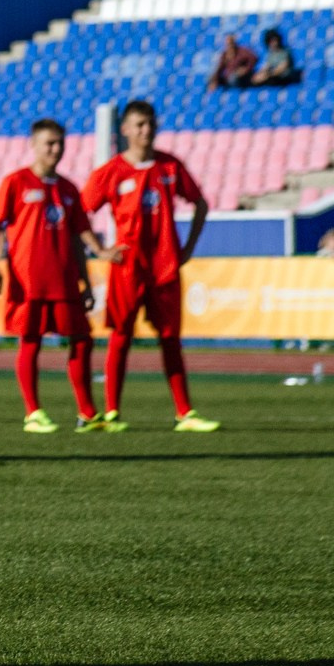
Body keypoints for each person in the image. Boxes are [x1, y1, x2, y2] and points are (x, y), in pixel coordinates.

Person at [81, 100, 218, 433]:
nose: (147, 131)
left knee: (170, 338)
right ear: (125, 129)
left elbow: (201, 202)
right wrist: (100, 249)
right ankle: (112, 412)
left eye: (151, 124)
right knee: (121, 336)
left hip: (165, 266)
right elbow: (80, 213)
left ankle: (184, 413)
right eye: (139, 125)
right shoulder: (110, 172)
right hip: (128, 266)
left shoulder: (169, 167)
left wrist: (187, 248)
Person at [0, 120, 105, 433]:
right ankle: (33, 412)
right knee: (31, 341)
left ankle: (87, 414)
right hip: (29, 280)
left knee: (81, 340)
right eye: (49, 143)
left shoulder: (67, 189)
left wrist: (86, 281)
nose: (55, 149)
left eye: (59, 143)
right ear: (34, 145)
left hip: (64, 281)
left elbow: (79, 236)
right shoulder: (16, 182)